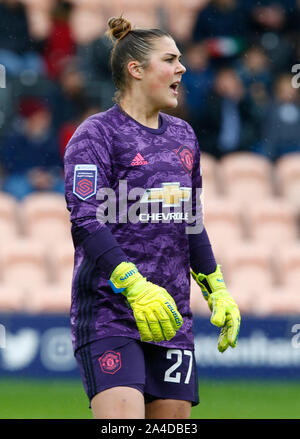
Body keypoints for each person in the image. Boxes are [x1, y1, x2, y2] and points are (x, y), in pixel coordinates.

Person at [64, 16, 241, 420]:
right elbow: (86, 220)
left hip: (171, 316)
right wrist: (134, 285)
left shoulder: (184, 136)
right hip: (113, 312)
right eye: (170, 59)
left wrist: (216, 286)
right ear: (136, 69)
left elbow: (190, 220)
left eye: (180, 59)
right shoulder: (96, 135)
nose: (182, 68)